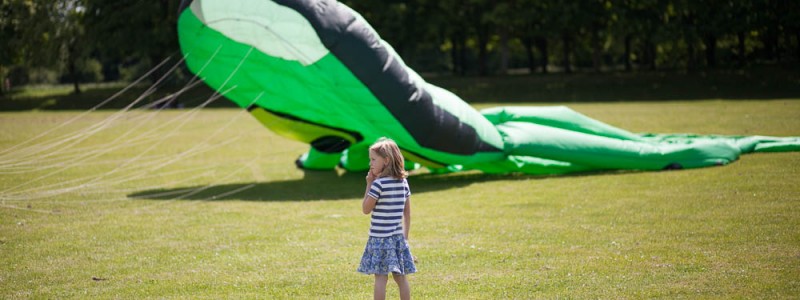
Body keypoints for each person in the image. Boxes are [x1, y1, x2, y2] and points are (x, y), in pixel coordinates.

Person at [358, 138, 416, 300]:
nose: (371, 163)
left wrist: (369, 183)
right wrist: (405, 238)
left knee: (381, 278)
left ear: (387, 160)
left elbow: (365, 209)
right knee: (401, 278)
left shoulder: (378, 184)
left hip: (380, 239)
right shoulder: (403, 183)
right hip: (398, 239)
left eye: (373, 159)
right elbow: (407, 214)